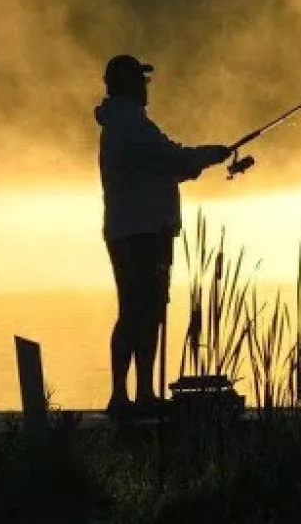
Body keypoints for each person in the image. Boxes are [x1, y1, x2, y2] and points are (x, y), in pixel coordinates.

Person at [94, 54, 232, 416]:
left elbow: (167, 166)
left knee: (134, 311)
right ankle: (133, 396)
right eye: (141, 80)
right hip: (144, 232)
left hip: (127, 229)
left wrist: (194, 162)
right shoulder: (132, 126)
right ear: (127, 85)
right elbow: (175, 160)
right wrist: (211, 155)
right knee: (144, 311)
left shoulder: (122, 125)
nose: (146, 87)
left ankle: (132, 395)